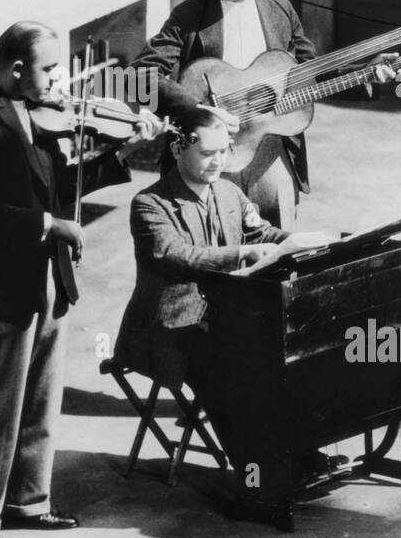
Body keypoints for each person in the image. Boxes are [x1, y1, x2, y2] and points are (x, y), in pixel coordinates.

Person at [0, 20, 158, 538]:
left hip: (49, 276)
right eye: (49, 70)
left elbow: (62, 184)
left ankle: (28, 502)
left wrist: (125, 150)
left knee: (42, 395)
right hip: (1, 280)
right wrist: (49, 224)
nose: (60, 81)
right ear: (16, 69)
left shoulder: (45, 114)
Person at [129, 0, 391, 229]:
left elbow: (312, 74)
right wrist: (195, 109)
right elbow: (138, 75)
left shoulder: (281, 11)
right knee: (214, 258)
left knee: (279, 251)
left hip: (270, 151)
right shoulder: (188, 15)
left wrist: (368, 75)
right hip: (208, 154)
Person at [114, 106, 329, 395]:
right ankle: (250, 431)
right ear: (178, 150)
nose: (218, 161)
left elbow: (261, 233)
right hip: (172, 328)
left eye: (224, 151)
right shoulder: (149, 203)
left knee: (294, 340)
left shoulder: (228, 191)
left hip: (221, 314)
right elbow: (179, 257)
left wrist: (304, 241)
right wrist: (242, 253)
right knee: (252, 361)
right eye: (207, 153)